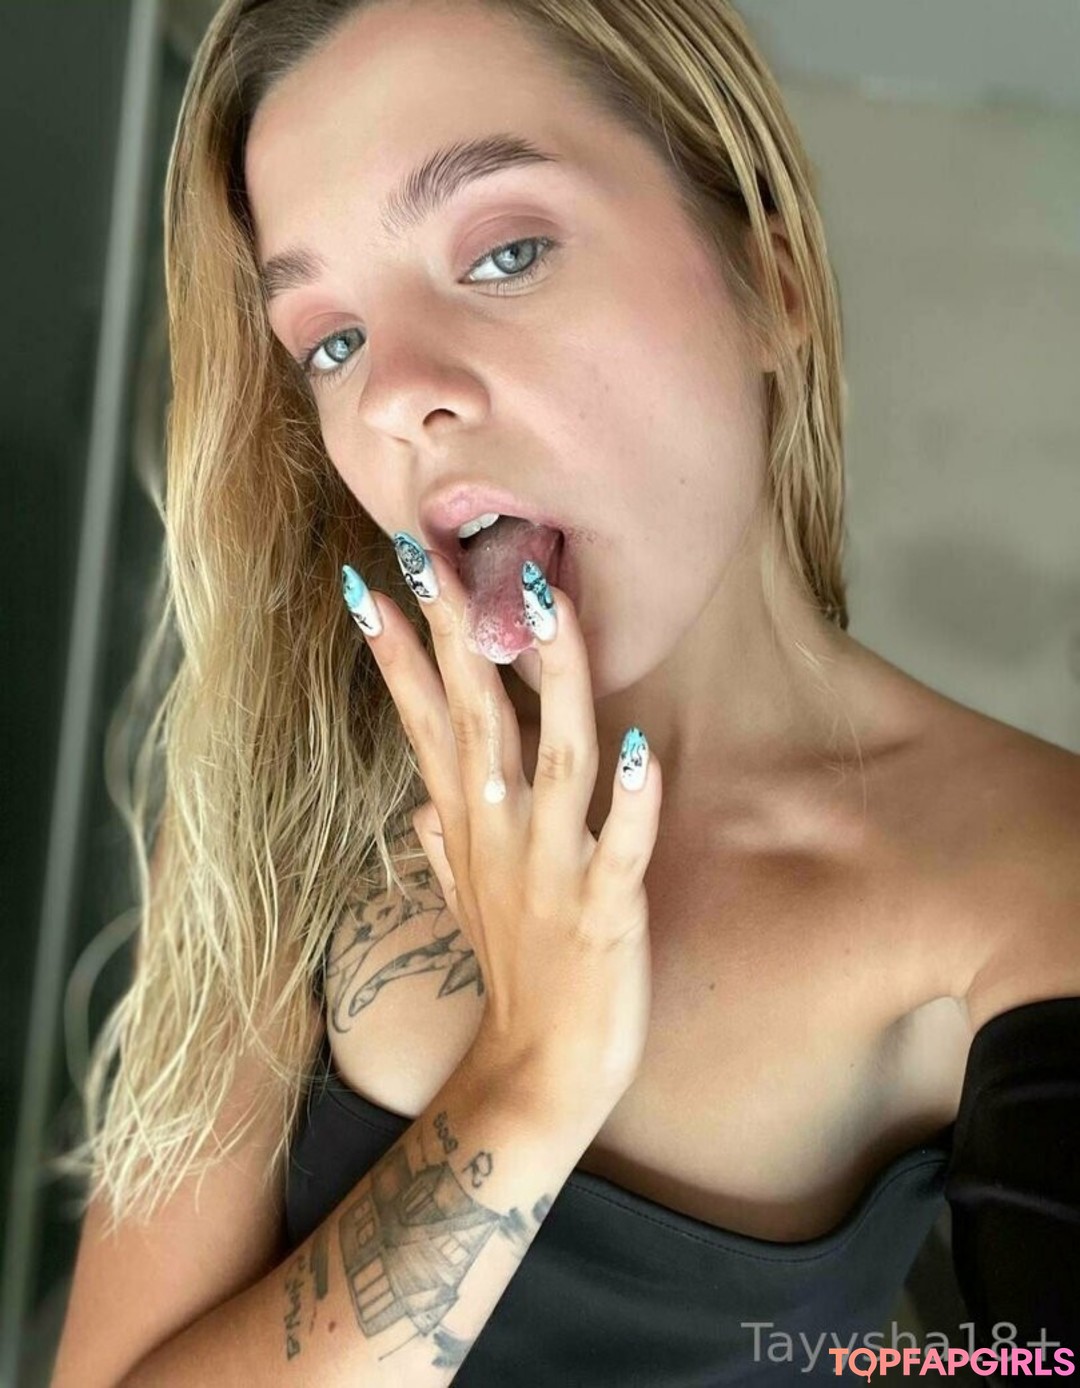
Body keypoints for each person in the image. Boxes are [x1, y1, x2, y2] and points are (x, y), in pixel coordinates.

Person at [50, 0, 1079, 1384]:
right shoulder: (303, 783)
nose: (397, 394)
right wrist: (526, 1085)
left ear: (770, 281)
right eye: (331, 340)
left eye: (506, 252)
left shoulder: (1031, 876)